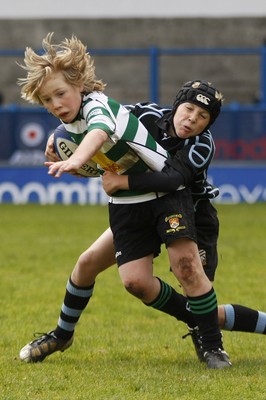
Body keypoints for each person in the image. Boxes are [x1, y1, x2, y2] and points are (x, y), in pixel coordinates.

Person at [17, 33, 231, 369]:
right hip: (129, 202)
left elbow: (101, 131)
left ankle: (213, 346)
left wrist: (77, 161)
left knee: (187, 268)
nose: (56, 103)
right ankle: (62, 334)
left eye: (60, 93)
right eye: (48, 99)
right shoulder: (115, 115)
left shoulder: (97, 106)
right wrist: (56, 140)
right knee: (130, 280)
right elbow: (94, 135)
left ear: (79, 86)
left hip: (170, 198)